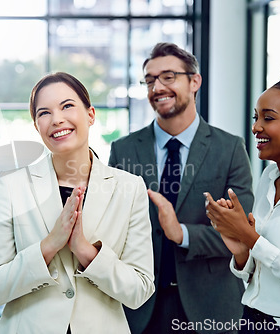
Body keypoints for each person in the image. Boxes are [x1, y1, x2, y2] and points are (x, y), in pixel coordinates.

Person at [0, 72, 155, 333]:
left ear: (91, 115)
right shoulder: (11, 186)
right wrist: (49, 246)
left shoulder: (129, 187)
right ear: (37, 126)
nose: (56, 119)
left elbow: (139, 290)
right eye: (43, 113)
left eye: (67, 106)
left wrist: (85, 251)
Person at [108, 42, 254, 334]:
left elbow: (243, 233)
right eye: (149, 80)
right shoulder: (123, 150)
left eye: (168, 77)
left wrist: (181, 233)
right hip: (139, 309)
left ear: (194, 81)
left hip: (209, 308)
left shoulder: (229, 149)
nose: (157, 87)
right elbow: (112, 226)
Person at [205, 58, 280, 333]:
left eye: (268, 118)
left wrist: (253, 239)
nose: (255, 127)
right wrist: (242, 252)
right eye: (255, 117)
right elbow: (257, 274)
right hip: (252, 320)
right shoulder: (267, 178)